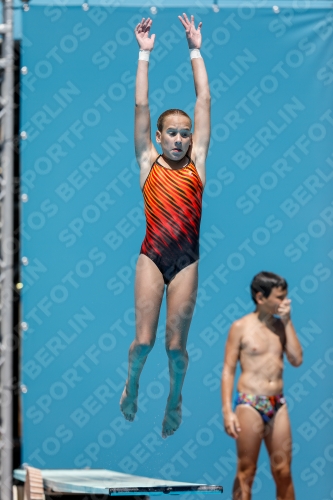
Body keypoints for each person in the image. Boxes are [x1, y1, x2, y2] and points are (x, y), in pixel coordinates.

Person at [120, 14, 211, 438]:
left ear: (192, 140)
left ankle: (174, 397)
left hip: (187, 261)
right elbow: (141, 107)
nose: (179, 139)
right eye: (171, 133)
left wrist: (195, 49)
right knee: (144, 343)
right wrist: (144, 54)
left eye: (185, 134)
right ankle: (133, 382)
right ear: (158, 138)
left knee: (176, 349)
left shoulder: (198, 167)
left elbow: (204, 101)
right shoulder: (147, 163)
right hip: (152, 258)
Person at [222, 272, 303, 500]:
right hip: (250, 403)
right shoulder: (240, 327)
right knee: (247, 472)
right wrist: (228, 411)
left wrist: (287, 321)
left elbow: (296, 360)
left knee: (283, 470)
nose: (284, 302)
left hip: (277, 403)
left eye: (285, 297)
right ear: (260, 297)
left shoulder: (281, 327)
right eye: (279, 298)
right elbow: (228, 370)